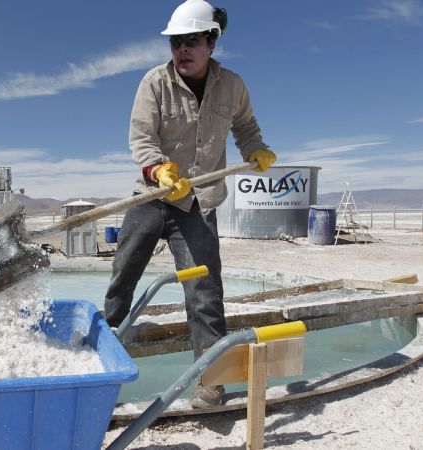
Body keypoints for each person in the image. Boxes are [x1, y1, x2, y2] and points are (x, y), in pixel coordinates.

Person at [104, 0, 276, 408]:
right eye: (176, 42)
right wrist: (158, 170)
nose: (182, 49)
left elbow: (246, 127)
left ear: (212, 42)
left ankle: (211, 381)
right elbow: (141, 137)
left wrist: (257, 149)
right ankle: (99, 353)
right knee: (123, 275)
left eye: (191, 41)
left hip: (198, 202)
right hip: (152, 196)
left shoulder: (232, 85)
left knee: (204, 289)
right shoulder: (154, 83)